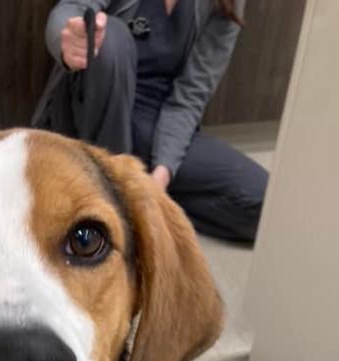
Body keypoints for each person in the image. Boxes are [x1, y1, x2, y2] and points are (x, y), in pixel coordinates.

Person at [33, 0, 268, 243]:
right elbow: (70, 9)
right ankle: (114, 199)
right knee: (111, 36)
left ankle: (137, 196)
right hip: (96, 110)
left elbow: (191, 96)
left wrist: (162, 174)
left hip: (161, 124)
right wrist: (70, 40)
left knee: (264, 204)